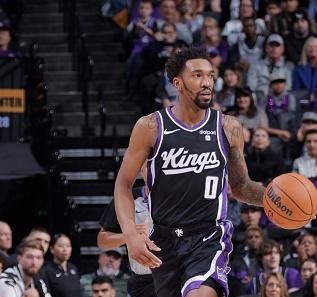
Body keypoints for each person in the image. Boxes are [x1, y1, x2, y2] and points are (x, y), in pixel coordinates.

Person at [113, 47, 271, 297]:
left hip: (207, 236)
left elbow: (241, 187)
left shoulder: (229, 127)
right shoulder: (151, 127)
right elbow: (122, 185)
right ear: (177, 82)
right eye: (197, 75)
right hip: (163, 239)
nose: (207, 82)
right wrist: (131, 234)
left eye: (210, 75)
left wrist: (277, 201)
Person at [97, 163, 156, 297]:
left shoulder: (179, 199)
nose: (153, 171)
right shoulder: (126, 198)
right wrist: (128, 235)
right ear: (141, 170)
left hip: (175, 276)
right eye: (149, 166)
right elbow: (102, 241)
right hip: (143, 280)